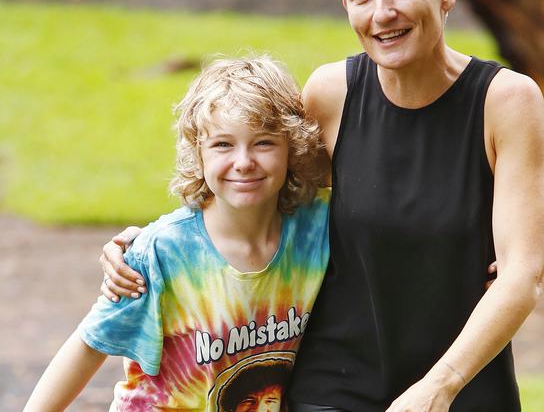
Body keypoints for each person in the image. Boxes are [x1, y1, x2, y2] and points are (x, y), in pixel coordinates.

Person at [100, 0, 544, 411]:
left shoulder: (506, 102)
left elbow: (523, 273)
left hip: (463, 384)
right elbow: (255, 195)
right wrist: (146, 247)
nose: (382, 13)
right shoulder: (331, 94)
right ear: (345, 2)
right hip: (334, 386)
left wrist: (437, 388)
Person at [24, 55, 330, 411]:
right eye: (223, 144)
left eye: (263, 142)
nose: (244, 161)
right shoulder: (163, 252)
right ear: (198, 152)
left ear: (291, 148)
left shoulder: (315, 228)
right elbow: (89, 345)